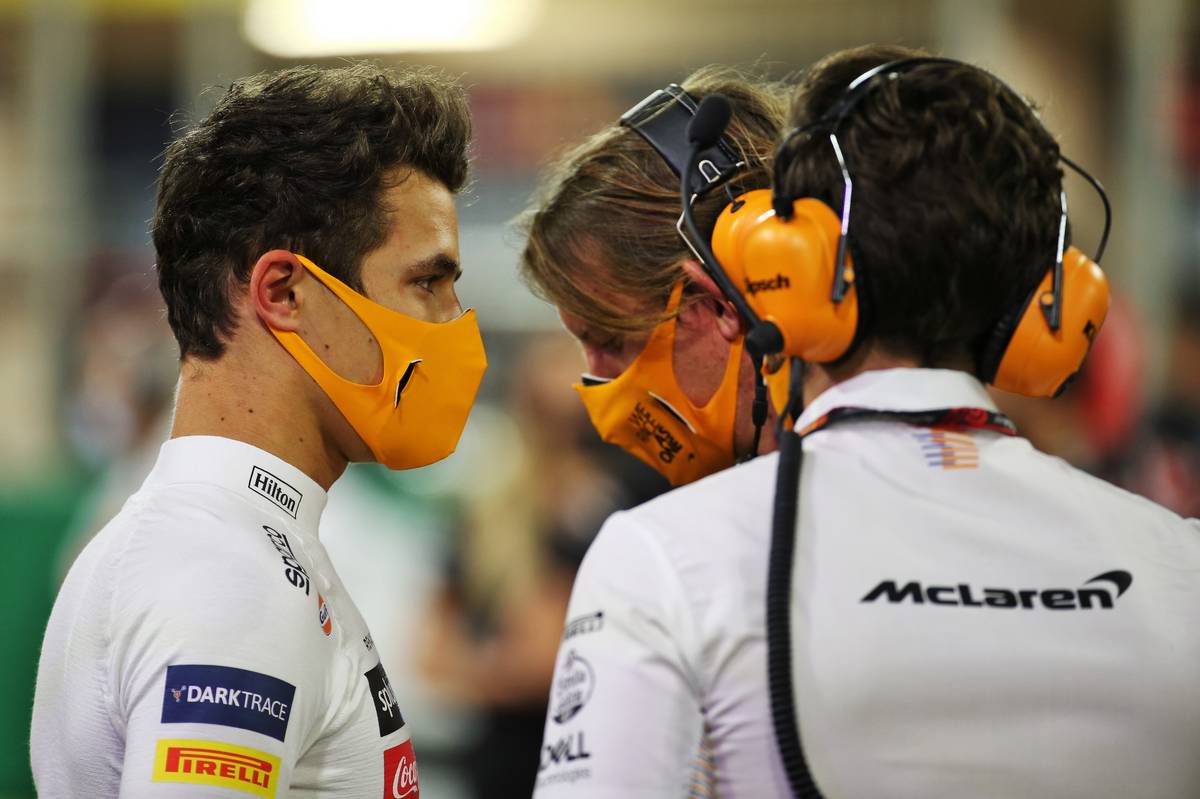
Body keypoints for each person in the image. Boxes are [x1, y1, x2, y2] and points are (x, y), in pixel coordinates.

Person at [524, 45, 1200, 798]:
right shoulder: (1182, 561)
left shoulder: (664, 564)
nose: (595, 385)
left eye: (609, 339)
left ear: (743, 295)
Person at [31, 63, 484, 798]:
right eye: (427, 283)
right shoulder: (224, 574)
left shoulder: (248, 542)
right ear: (284, 293)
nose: (455, 324)